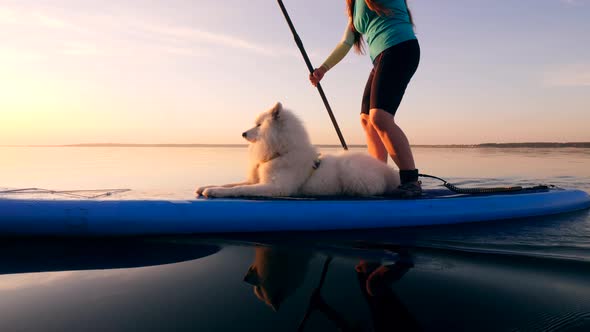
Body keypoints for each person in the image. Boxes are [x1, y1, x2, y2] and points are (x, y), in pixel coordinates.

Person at [310, 0, 421, 197]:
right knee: (366, 119)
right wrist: (323, 69)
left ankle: (411, 181)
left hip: (400, 48)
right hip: (381, 58)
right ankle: (379, 177)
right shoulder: (355, 8)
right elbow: (345, 43)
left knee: (380, 117)